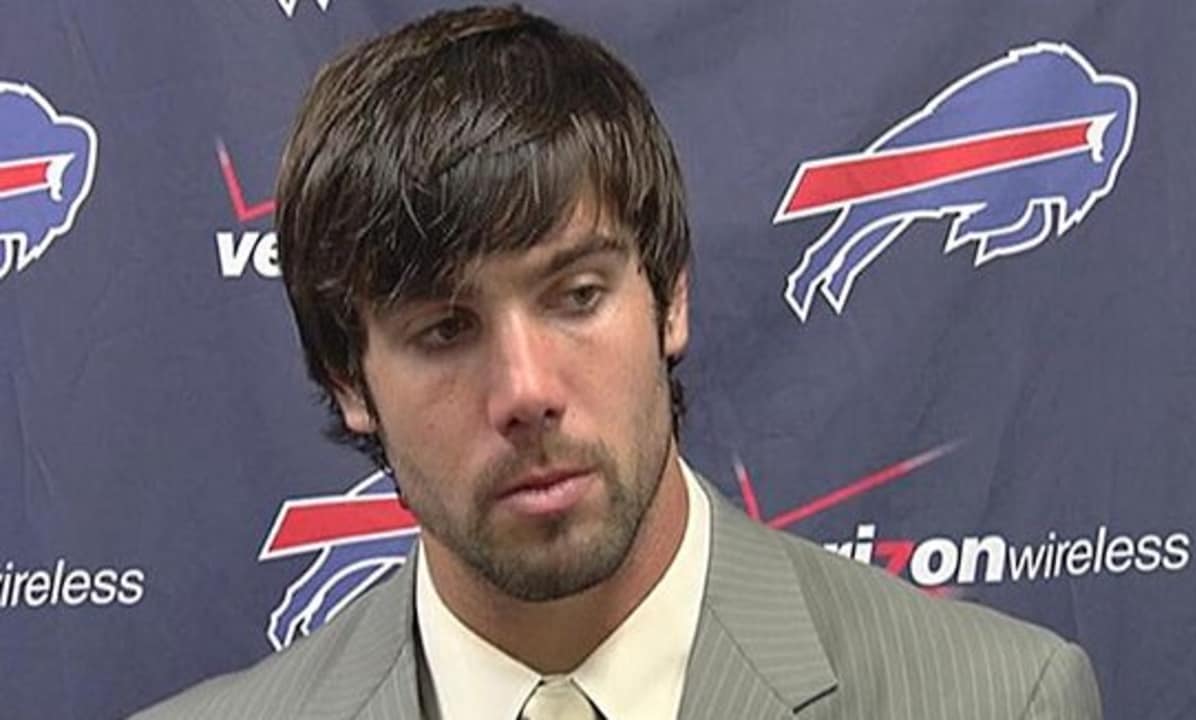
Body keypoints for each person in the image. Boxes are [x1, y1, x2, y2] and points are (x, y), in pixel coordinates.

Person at [136, 5, 1102, 719]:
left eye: (577, 296)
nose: (526, 391)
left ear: (670, 298)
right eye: (444, 330)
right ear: (349, 379)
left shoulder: (996, 700)